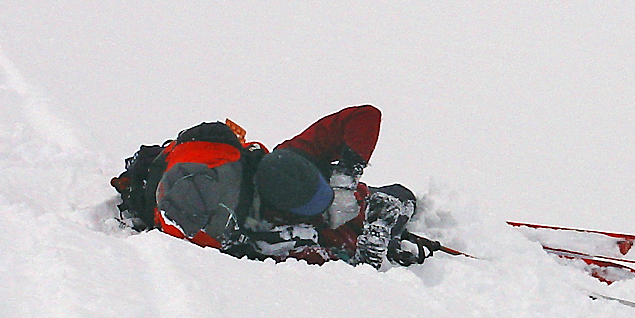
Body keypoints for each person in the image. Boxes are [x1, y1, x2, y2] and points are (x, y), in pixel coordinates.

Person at [111, 105, 418, 269]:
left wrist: (345, 179)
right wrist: (375, 238)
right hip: (354, 221)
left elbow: (365, 116)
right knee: (401, 200)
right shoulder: (272, 237)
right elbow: (352, 270)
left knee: (400, 197)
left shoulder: (291, 155)